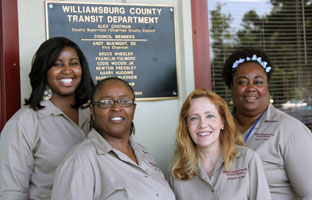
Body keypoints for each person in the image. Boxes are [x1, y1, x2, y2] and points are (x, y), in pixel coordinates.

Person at [51, 77, 175, 200]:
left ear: (133, 109)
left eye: (124, 101)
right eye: (105, 102)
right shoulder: (78, 162)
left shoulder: (143, 154)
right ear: (92, 111)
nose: (116, 108)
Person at [0, 37, 94, 199]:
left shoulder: (95, 113)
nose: (67, 70)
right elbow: (12, 191)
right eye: (57, 64)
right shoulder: (23, 123)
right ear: (44, 70)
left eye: (73, 63)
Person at [222, 47, 312, 199]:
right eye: (242, 82)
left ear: (267, 87)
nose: (251, 88)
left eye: (258, 82)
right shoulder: (218, 130)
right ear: (231, 86)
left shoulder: (290, 130)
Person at [169, 89, 271, 200]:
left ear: (222, 121)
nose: (202, 124)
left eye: (210, 116)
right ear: (186, 126)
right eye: (194, 118)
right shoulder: (176, 172)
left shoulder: (247, 160)